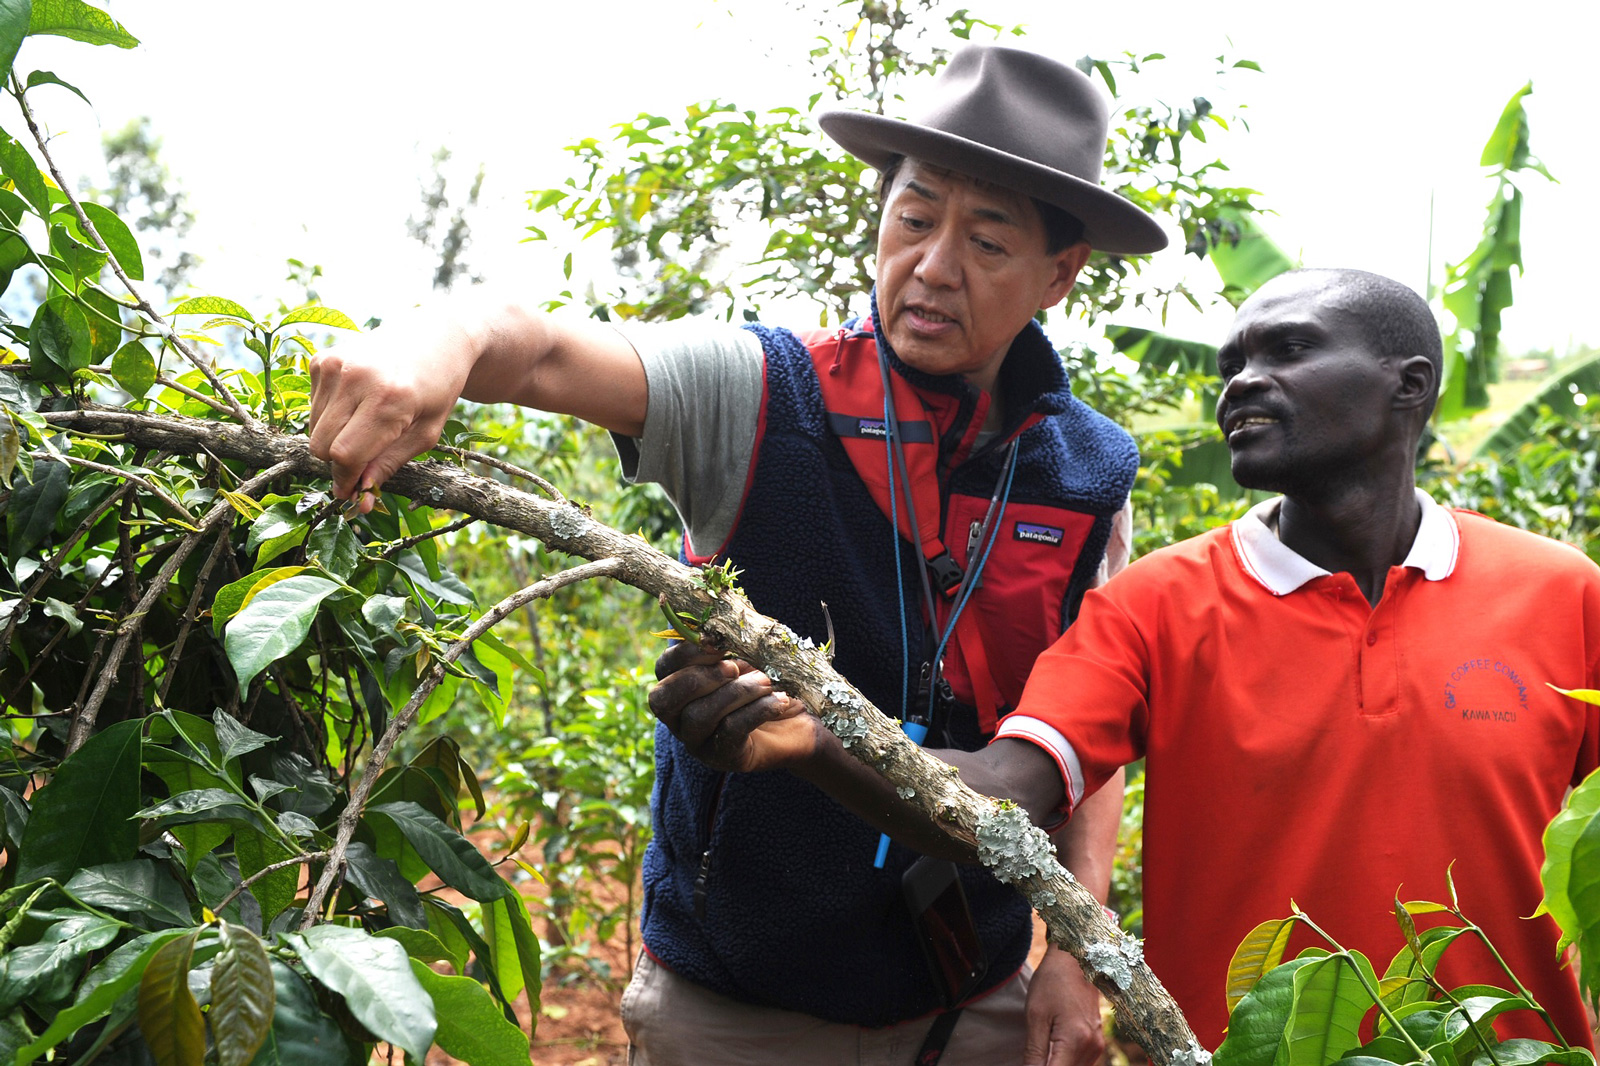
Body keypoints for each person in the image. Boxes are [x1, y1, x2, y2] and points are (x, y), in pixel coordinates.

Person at [308, 44, 1171, 1066]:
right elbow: (539, 350)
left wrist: (1077, 939)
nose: (934, 266)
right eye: (913, 216)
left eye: (987, 242)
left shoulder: (1084, 475)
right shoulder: (762, 393)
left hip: (967, 1001)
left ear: (1060, 274)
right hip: (736, 1005)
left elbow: (1081, 729)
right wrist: (431, 342)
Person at [663, 267, 1600, 1051]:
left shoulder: (1562, 593)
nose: (1241, 382)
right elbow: (998, 792)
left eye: (1290, 349)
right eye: (1232, 363)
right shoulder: (1158, 604)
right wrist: (813, 743)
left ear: (1410, 384)